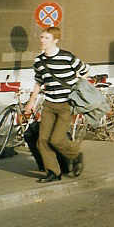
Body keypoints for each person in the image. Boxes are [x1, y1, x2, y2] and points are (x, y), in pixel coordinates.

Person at [24, 27, 88, 183]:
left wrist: (77, 87)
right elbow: (39, 82)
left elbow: (85, 71)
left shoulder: (67, 57)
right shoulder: (39, 61)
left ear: (55, 40)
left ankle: (76, 155)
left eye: (46, 38)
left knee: (57, 140)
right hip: (49, 105)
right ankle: (53, 172)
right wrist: (31, 101)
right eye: (41, 37)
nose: (42, 40)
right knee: (42, 141)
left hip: (65, 105)